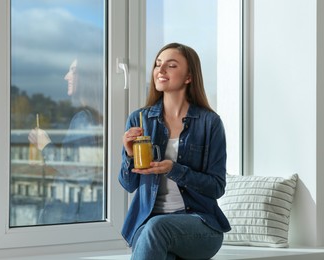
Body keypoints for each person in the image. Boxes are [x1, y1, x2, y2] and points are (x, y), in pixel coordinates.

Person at [119, 42, 231, 260]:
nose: (160, 71)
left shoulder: (210, 123)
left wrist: (175, 170)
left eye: (170, 65)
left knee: (157, 227)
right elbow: (128, 184)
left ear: (189, 76)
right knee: (156, 234)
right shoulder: (138, 119)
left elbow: (217, 187)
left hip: (200, 225)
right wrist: (129, 155)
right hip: (150, 224)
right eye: (157, 64)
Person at [28, 57, 104, 224]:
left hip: (71, 216)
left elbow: (80, 172)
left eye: (73, 71)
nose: (66, 76)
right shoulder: (98, 119)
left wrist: (45, 146)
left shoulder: (83, 119)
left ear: (87, 79)